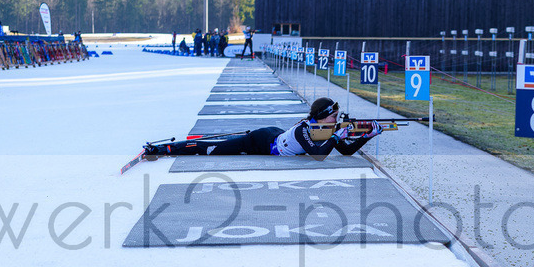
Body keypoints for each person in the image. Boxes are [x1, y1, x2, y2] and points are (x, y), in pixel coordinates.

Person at [142, 97, 380, 159]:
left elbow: (345, 151)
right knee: (211, 148)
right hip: (261, 140)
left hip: (275, 135)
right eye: (334, 117)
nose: (336, 121)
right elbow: (319, 154)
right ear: (323, 117)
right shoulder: (303, 130)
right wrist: (338, 136)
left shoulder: (323, 131)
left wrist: (368, 135)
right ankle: (164, 149)